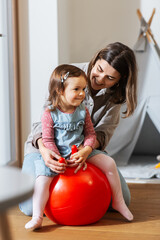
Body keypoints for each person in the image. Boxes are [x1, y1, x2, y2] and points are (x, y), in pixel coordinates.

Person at [19, 42, 137, 220]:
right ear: (96, 58)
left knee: (123, 200)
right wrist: (45, 151)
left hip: (82, 147)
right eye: (99, 69)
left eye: (110, 78)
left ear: (121, 79)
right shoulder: (66, 75)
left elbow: (102, 133)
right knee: (30, 208)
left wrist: (86, 149)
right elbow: (42, 123)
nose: (100, 79)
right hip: (44, 145)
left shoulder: (116, 96)